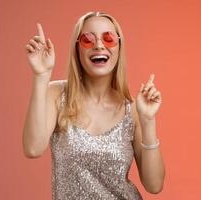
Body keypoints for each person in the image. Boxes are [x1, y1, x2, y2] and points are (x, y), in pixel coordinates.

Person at [22, 11, 165, 199]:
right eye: (88, 39)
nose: (99, 45)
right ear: (77, 49)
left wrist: (148, 120)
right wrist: (41, 75)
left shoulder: (132, 109)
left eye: (109, 38)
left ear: (119, 48)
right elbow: (33, 149)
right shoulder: (57, 95)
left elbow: (154, 185)